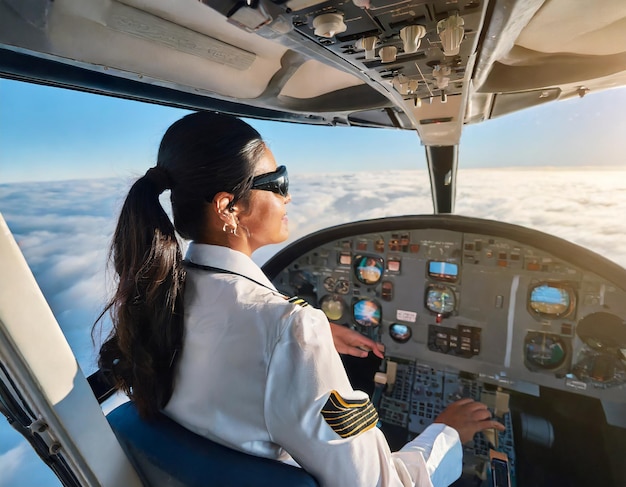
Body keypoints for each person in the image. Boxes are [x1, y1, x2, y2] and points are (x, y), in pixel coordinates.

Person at [96, 111, 504, 487]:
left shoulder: (155, 295)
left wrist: (312, 333)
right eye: (278, 182)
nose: (288, 197)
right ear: (229, 208)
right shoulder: (287, 329)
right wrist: (448, 433)